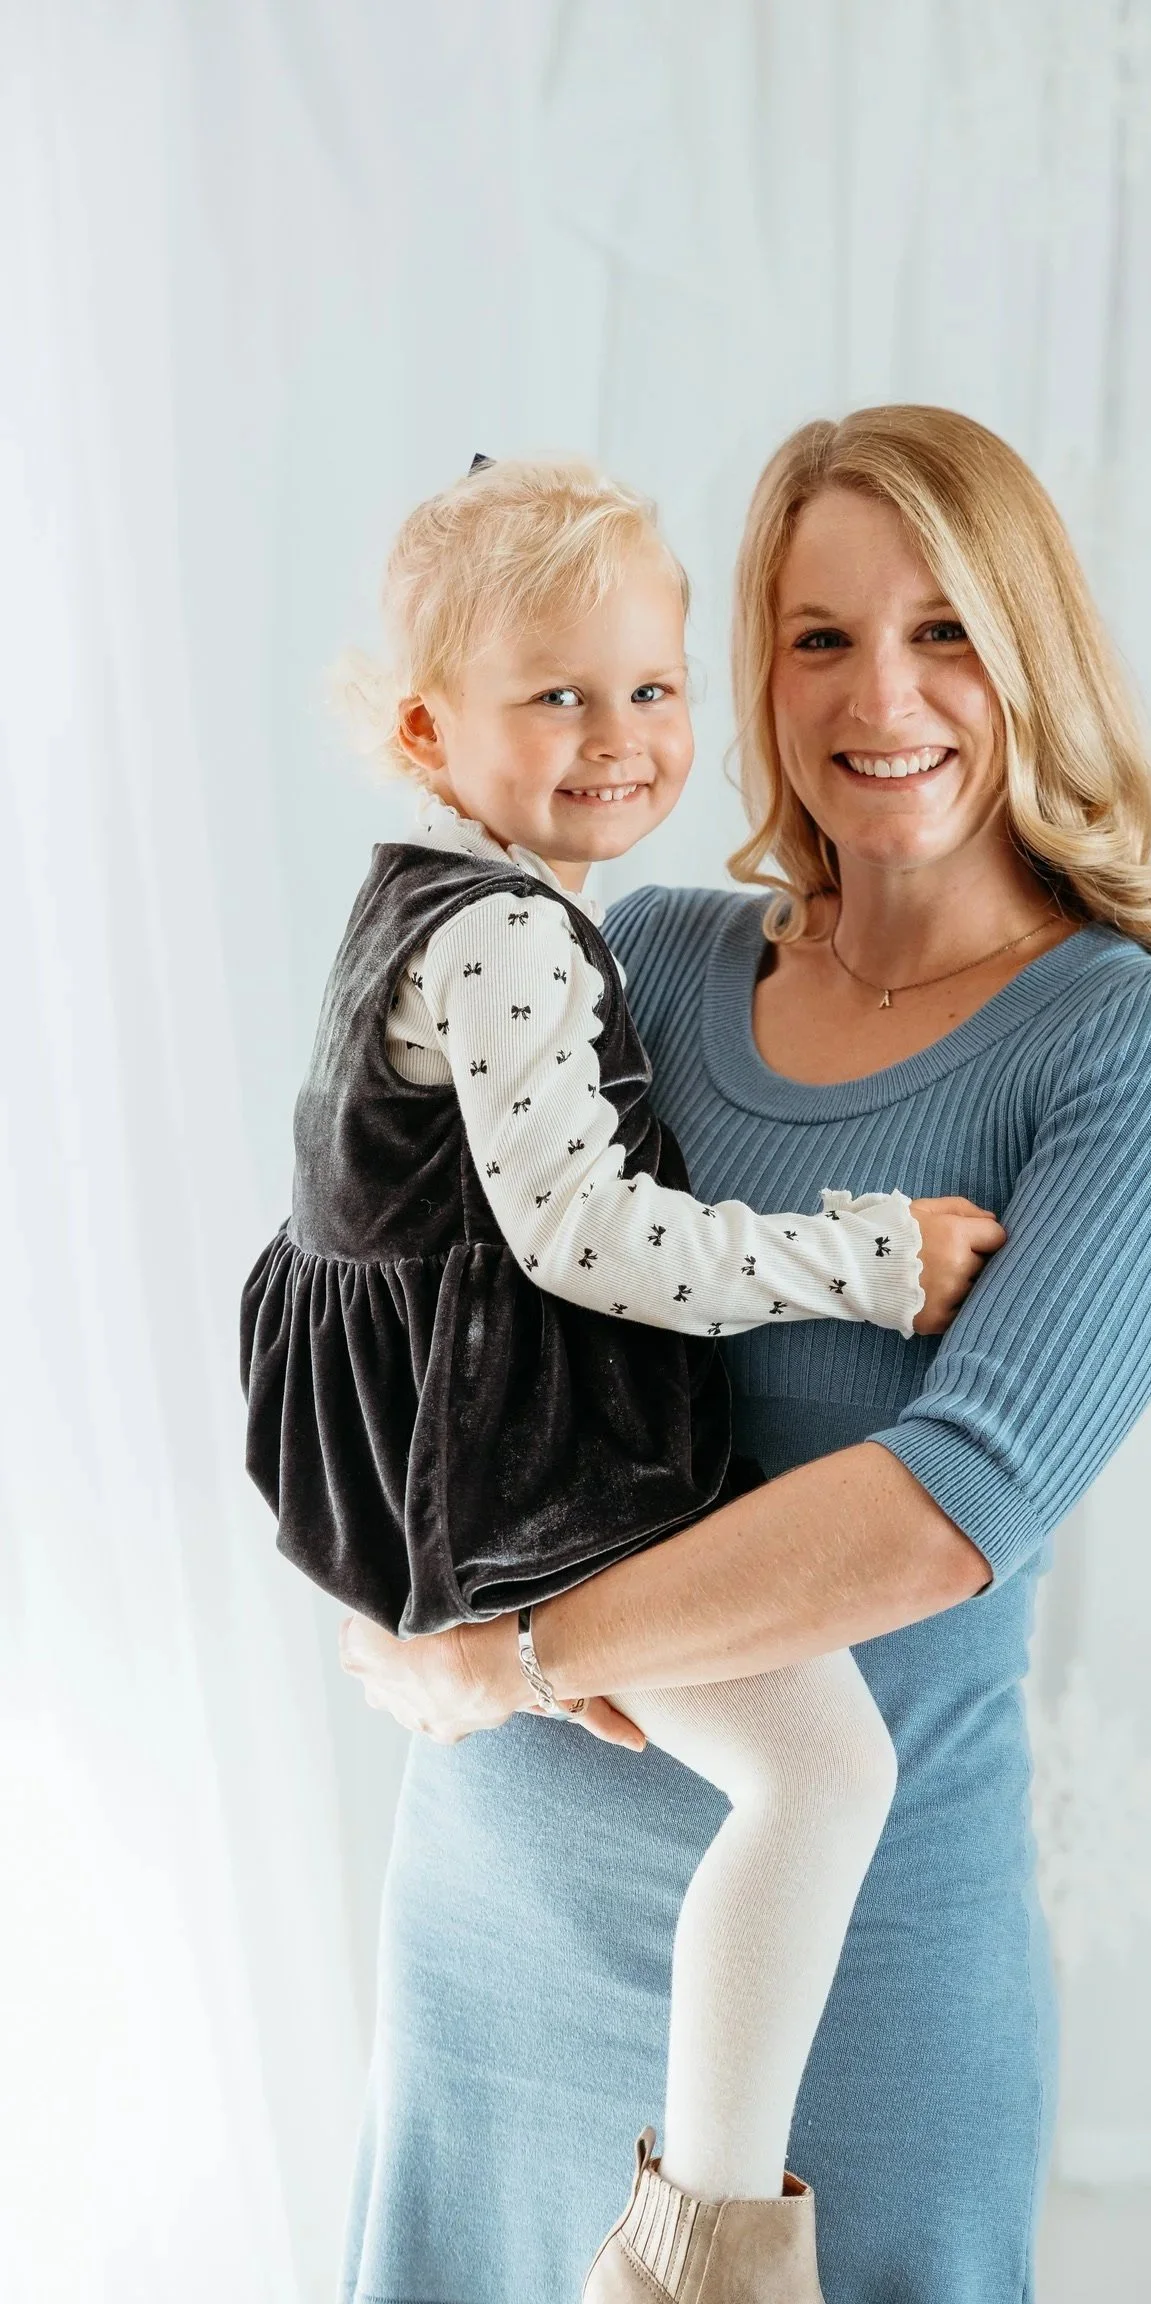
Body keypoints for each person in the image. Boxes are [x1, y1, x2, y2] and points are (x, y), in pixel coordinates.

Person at [337, 406, 1151, 2304]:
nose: (885, 696)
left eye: (945, 630)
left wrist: (507, 1652)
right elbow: (416, 1279)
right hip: (496, 1928)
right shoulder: (645, 959)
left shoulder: (1150, 1043)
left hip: (842, 2003)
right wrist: (372, 1566)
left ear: (1036, 648)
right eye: (821, 635)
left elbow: (944, 1513)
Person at [240, 454, 1003, 2304]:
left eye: (651, 689)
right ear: (434, 726)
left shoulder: (424, 904)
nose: (618, 736)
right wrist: (872, 1252)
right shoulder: (510, 934)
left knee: (789, 1759)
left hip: (438, 1437)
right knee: (823, 1773)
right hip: (513, 1458)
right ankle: (707, 2251)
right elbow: (599, 1239)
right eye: (556, 696)